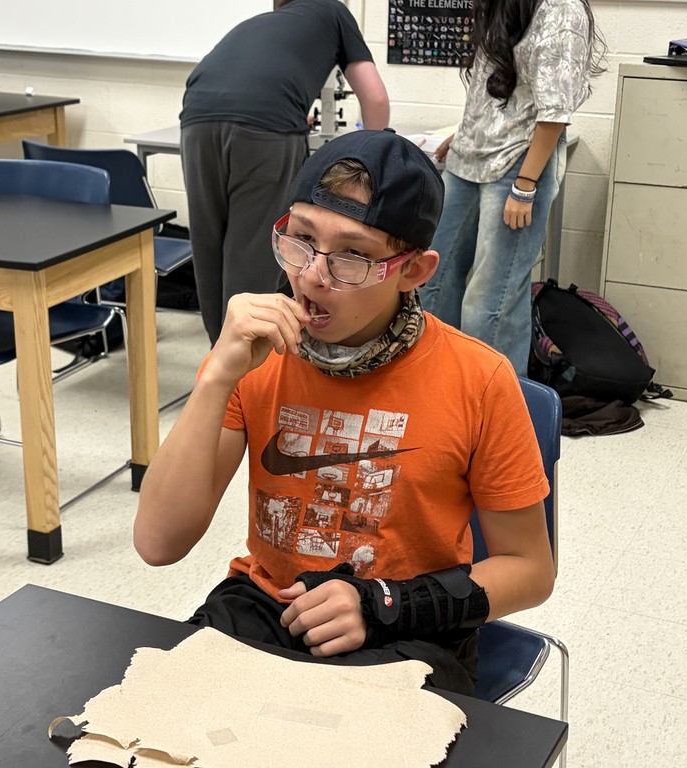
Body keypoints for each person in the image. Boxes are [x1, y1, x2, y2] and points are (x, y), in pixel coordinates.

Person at [134, 129, 555, 694]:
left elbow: (531, 570)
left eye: (354, 255)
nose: (312, 275)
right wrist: (215, 379)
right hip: (270, 604)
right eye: (301, 239)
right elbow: (159, 543)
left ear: (414, 271)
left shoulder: (478, 380)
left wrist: (386, 604)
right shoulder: (255, 357)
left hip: (409, 626)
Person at [180, 0, 390, 346]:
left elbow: (256, 84)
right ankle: (243, 379)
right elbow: (377, 100)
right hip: (266, 130)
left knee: (209, 249)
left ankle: (218, 362)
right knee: (251, 261)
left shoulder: (264, 22)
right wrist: (374, 161)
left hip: (197, 120)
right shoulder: (334, 11)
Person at [418, 0, 605, 375]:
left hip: (518, 165)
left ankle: (494, 408)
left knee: (491, 300)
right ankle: (434, 385)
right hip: (468, 158)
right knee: (429, 277)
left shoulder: (560, 9)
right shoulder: (503, 5)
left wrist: (525, 186)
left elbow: (554, 112)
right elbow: (499, 87)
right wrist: (467, 131)